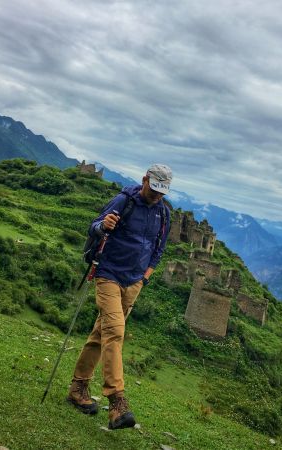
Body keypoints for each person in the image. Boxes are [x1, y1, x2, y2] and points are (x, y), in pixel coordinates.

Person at [67, 163, 172, 430]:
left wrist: (145, 277)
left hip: (134, 282)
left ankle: (78, 387)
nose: (157, 196)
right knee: (115, 331)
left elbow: (159, 249)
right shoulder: (123, 201)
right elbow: (93, 227)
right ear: (145, 179)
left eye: (162, 192)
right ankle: (117, 402)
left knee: (101, 333)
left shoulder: (163, 213)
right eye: (154, 189)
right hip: (109, 274)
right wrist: (103, 225)